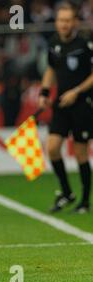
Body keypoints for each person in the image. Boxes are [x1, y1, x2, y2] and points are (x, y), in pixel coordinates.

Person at [38, 2, 92, 214]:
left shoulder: (86, 44)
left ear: (75, 22)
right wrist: (44, 92)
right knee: (52, 148)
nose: (64, 24)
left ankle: (85, 202)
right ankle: (67, 192)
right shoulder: (53, 44)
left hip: (82, 105)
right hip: (61, 105)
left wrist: (76, 92)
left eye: (68, 20)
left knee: (80, 153)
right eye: (61, 20)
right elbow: (51, 69)